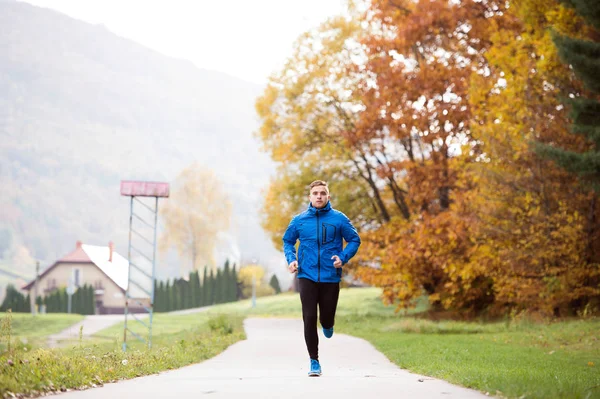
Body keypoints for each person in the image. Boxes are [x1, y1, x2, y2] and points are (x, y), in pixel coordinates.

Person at [283, 180, 361, 377]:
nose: (319, 196)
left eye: (322, 193)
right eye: (315, 193)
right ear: (310, 197)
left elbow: (354, 239)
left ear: (328, 197)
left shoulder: (339, 219)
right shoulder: (299, 221)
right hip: (306, 275)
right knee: (309, 318)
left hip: (330, 277)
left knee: (326, 317)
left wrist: (342, 258)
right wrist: (292, 259)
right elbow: (288, 241)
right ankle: (314, 361)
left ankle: (328, 324)